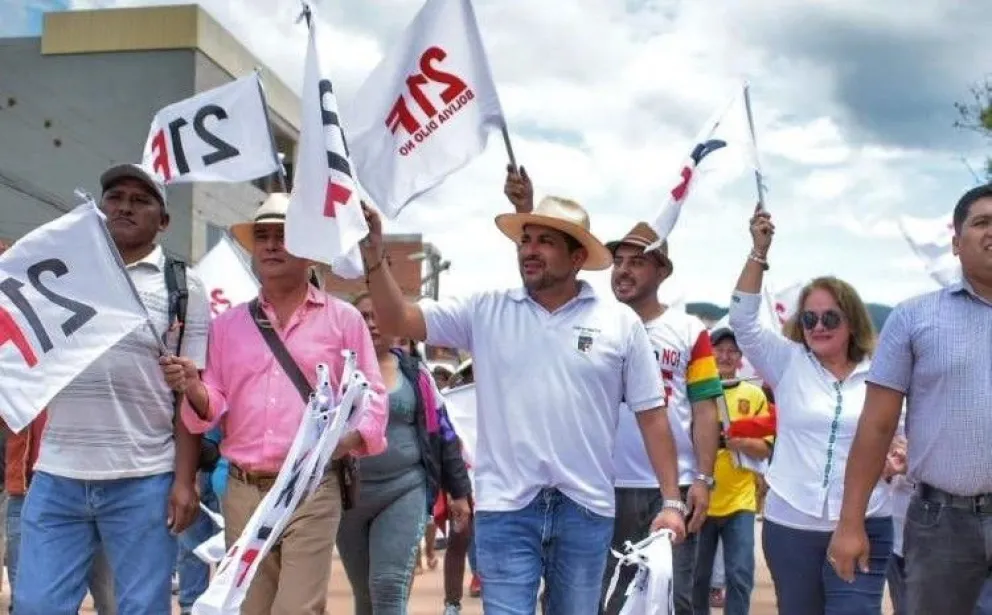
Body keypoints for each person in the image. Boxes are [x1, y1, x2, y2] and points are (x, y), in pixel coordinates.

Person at [359, 193, 685, 615]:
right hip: (505, 507)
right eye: (525, 240)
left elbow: (652, 415)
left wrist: (672, 503)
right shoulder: (485, 309)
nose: (529, 249)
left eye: (545, 241)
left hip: (587, 508)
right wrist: (373, 255)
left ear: (578, 256)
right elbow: (395, 319)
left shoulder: (619, 323)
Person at [170, 193, 387, 615]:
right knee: (250, 609)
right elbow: (210, 406)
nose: (270, 245)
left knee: (297, 609)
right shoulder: (227, 326)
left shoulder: (344, 320)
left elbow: (373, 399)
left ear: (309, 251)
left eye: (283, 236)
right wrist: (193, 388)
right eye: (262, 236)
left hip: (311, 490)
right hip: (243, 492)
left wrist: (339, 444)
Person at [15, 164, 207, 614]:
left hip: (143, 481)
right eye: (115, 197)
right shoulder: (62, 272)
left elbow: (191, 400)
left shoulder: (184, 287)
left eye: (141, 200)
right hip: (57, 476)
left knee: (140, 607)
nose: (124, 206)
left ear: (164, 221)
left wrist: (184, 481)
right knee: (35, 604)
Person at [828, 184, 992, 614]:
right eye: (982, 222)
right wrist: (850, 523)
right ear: (956, 242)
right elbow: (877, 426)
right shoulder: (914, 318)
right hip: (941, 524)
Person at [728, 205, 891, 614]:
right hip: (791, 524)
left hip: (866, 518)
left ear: (852, 321)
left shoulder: (884, 372)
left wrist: (902, 453)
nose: (817, 326)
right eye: (809, 318)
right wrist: (758, 252)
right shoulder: (787, 361)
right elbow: (742, 320)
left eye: (830, 317)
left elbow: (904, 431)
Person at [601, 222, 722, 615]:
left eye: (637, 262)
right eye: (618, 261)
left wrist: (702, 478)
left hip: (672, 488)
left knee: (672, 599)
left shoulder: (689, 330)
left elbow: (705, 409)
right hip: (603, 484)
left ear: (663, 271)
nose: (623, 270)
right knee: (607, 596)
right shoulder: (598, 324)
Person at [337, 293, 472, 615]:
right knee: (365, 595)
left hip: (404, 488)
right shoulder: (334, 372)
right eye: (363, 316)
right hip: (347, 496)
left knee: (388, 584)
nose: (371, 324)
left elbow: (444, 434)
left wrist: (459, 492)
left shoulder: (417, 374)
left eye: (378, 315)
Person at [691, 327, 772, 615]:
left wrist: (738, 441)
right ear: (709, 353)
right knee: (696, 578)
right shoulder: (696, 389)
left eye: (732, 351)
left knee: (740, 575)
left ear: (740, 357)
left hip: (740, 502)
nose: (725, 356)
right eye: (719, 350)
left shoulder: (754, 395)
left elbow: (766, 447)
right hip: (700, 500)